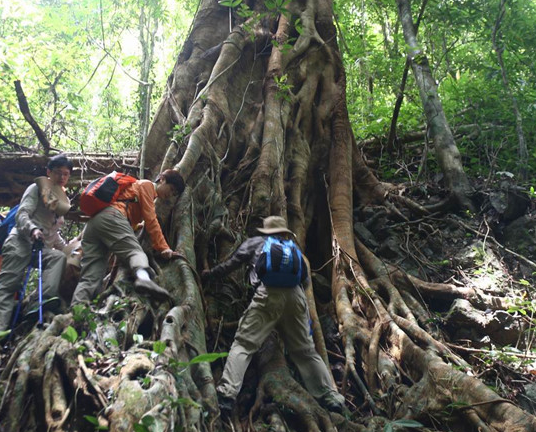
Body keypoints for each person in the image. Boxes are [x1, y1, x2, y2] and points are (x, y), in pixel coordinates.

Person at [201, 215, 346, 416]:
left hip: (268, 294)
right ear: (284, 232)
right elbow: (305, 281)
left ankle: (227, 394)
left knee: (244, 344)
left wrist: (210, 274)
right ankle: (330, 396)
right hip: (295, 296)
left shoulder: (254, 243)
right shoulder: (292, 248)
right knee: (306, 351)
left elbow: (231, 263)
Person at [0, 155, 71, 341]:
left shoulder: (61, 200)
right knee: (8, 285)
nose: (62, 177)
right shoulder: (36, 189)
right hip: (20, 242)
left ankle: (40, 302)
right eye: (58, 173)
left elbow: (54, 234)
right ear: (49, 172)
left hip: (40, 248)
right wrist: (32, 229)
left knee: (58, 258)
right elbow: (22, 214)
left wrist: (69, 250)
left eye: (66, 174)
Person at [71, 169, 185, 304]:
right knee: (135, 252)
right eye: (171, 189)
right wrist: (163, 248)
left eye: (174, 194)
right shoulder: (147, 185)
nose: (170, 195)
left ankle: (76, 308)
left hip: (94, 224)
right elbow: (151, 220)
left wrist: (136, 226)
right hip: (111, 217)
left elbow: (127, 211)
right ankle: (144, 278)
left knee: (92, 274)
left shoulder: (135, 190)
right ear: (162, 179)